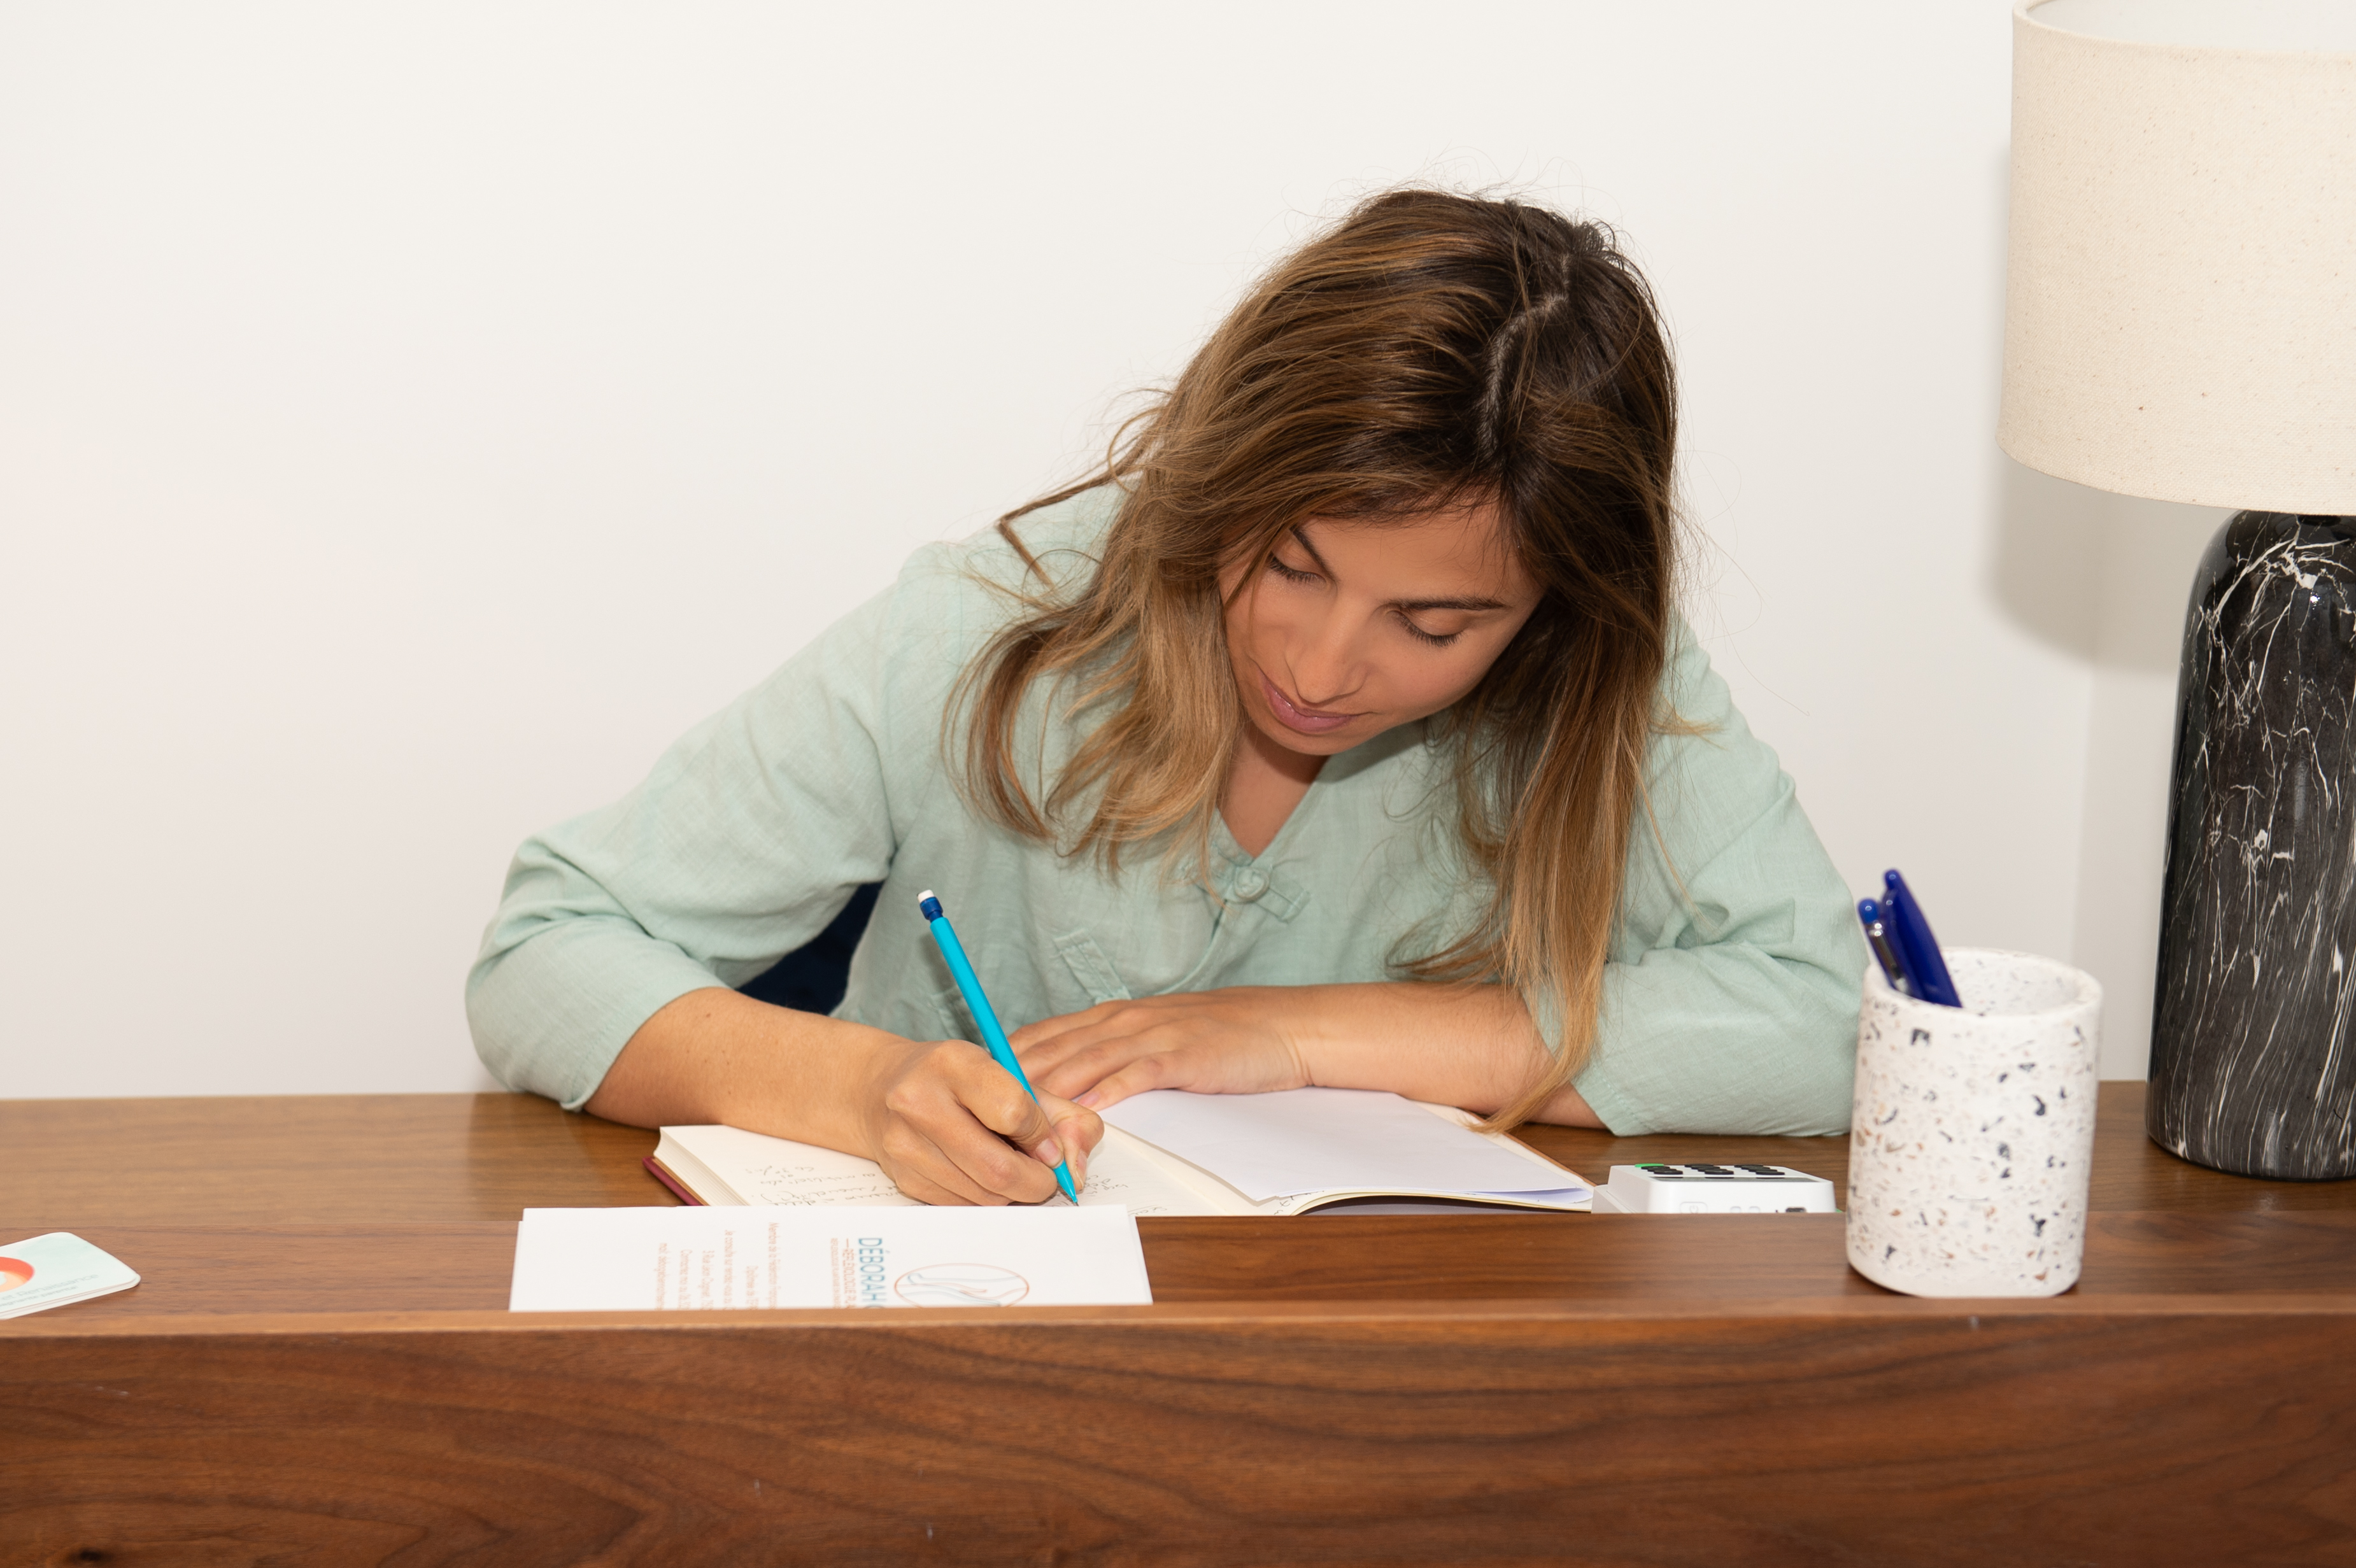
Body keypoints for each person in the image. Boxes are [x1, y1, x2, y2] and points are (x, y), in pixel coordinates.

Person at [467, 188, 1866, 1207]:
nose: (1319, 669)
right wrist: (865, 1088)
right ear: (1221, 475)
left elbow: (1824, 1023)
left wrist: (1293, 1034)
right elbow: (548, 947)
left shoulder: (1610, 678)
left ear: (1559, 608)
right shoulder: (993, 623)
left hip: (1388, 1378)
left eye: (1434, 624)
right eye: (1290, 565)